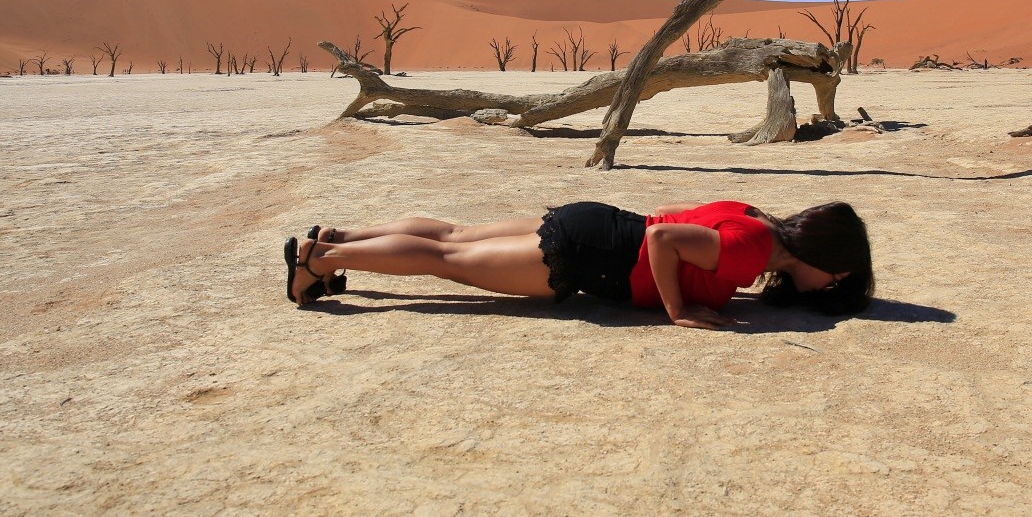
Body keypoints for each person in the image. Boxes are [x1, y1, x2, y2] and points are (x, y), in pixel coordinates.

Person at [284, 200, 874, 328]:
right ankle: (321, 258)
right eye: (839, 277)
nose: (832, 285)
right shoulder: (753, 249)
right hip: (593, 255)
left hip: (598, 228)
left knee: (455, 236)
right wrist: (679, 310)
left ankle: (340, 236)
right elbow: (666, 245)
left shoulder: (758, 222)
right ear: (829, 260)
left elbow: (672, 225)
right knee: (448, 260)